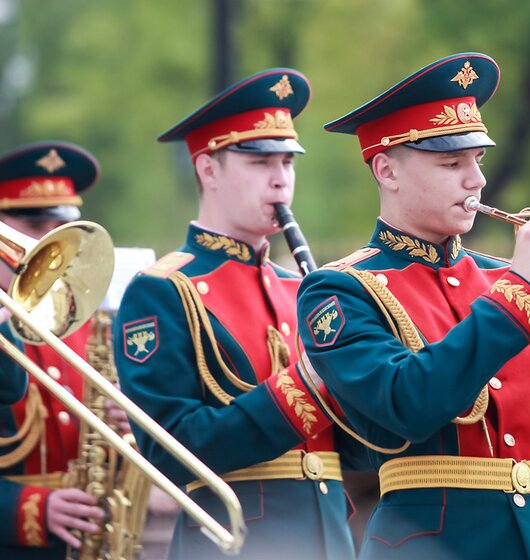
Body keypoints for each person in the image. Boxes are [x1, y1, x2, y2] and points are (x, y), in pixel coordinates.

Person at [296, 52, 530, 560]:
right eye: (451, 162)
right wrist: (521, 288)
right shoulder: (339, 289)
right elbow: (408, 405)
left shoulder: (508, 281)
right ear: (386, 170)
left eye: (477, 160)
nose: (476, 180)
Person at [114, 69, 355, 559]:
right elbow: (170, 451)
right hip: (234, 544)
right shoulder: (162, 291)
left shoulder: (303, 287)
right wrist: (302, 389)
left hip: (330, 538)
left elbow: (355, 446)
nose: (281, 179)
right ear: (208, 169)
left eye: (288, 161)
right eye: (260, 160)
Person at [0, 141, 108, 558]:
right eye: (32, 223)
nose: (49, 242)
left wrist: (116, 430)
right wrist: (28, 509)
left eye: (59, 224)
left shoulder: (81, 321)